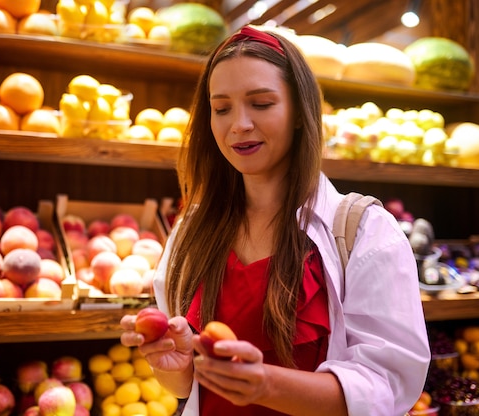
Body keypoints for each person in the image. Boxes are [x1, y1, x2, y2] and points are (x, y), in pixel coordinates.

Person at [120, 25, 430, 416]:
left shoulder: (365, 232)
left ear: (301, 113)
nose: (239, 125)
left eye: (262, 103)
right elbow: (185, 388)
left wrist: (264, 384)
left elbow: (388, 387)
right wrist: (174, 364)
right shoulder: (191, 229)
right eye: (221, 108)